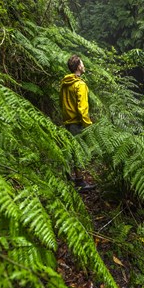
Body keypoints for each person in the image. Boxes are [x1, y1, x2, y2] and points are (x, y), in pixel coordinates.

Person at [60, 55, 93, 189]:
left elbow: (61, 102)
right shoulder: (80, 85)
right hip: (77, 123)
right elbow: (82, 108)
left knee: (69, 150)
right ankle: (79, 181)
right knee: (78, 152)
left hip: (67, 121)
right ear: (79, 66)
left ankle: (68, 178)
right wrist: (88, 125)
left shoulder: (65, 83)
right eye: (82, 63)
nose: (84, 66)